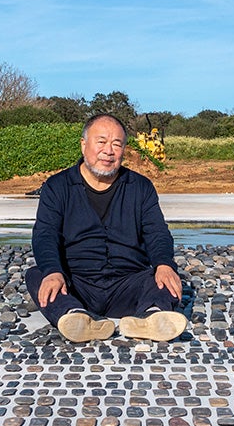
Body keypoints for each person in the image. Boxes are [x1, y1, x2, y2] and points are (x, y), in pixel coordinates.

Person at [26, 113, 188, 342]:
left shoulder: (140, 187)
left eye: (117, 144)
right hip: (77, 283)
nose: (108, 151)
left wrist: (163, 263)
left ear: (124, 149)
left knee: (164, 275)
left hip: (128, 282)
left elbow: (157, 232)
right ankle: (75, 316)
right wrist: (53, 271)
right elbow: (45, 234)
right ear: (84, 145)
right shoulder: (57, 187)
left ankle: (152, 316)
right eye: (101, 142)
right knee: (38, 274)